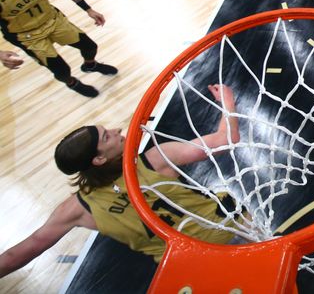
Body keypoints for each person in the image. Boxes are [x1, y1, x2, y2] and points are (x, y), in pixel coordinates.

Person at [0, 84, 239, 277]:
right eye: (107, 136)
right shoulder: (156, 159)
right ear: (99, 159)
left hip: (188, 264)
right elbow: (227, 139)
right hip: (230, 231)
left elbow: (23, 251)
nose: (116, 130)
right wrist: (227, 101)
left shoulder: (76, 209)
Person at [0, 0, 117, 97]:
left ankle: (90, 65)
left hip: (53, 20)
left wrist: (88, 9)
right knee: (61, 70)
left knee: (90, 46)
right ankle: (72, 83)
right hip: (28, 37)